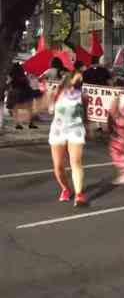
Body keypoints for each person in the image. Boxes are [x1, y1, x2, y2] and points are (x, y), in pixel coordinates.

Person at [49, 71, 89, 206]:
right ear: (67, 80)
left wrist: (87, 129)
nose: (78, 84)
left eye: (80, 82)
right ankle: (66, 189)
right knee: (58, 167)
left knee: (76, 162)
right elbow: (49, 109)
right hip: (58, 130)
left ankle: (79, 195)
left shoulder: (83, 96)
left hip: (75, 130)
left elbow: (85, 115)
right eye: (76, 81)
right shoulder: (56, 94)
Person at [7, 63, 41, 130]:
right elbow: (28, 84)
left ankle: (18, 124)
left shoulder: (11, 75)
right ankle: (31, 124)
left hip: (15, 93)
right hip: (26, 92)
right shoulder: (24, 76)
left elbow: (8, 83)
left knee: (15, 109)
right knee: (30, 109)